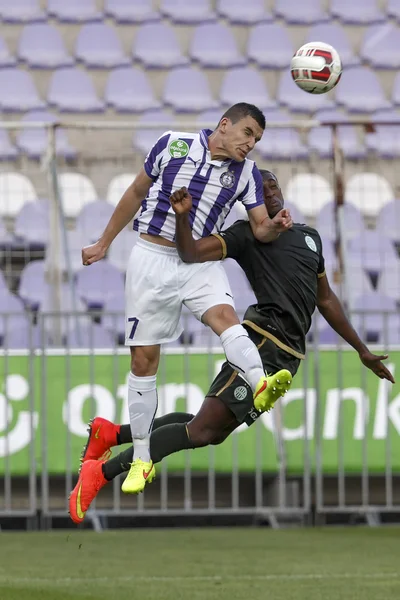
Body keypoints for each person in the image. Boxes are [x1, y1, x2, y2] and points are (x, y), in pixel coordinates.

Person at [69, 170, 394, 524]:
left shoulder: (308, 237)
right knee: (203, 430)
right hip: (260, 342)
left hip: (288, 355)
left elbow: (326, 299)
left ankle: (111, 433)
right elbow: (190, 253)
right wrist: (181, 218)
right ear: (250, 200)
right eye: (261, 188)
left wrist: (361, 350)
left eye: (274, 185)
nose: (269, 192)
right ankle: (100, 474)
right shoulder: (246, 235)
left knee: (209, 428)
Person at [81, 103, 292, 495]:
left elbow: (260, 228)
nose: (251, 144)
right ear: (224, 125)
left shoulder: (245, 173)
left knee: (225, 317)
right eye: (247, 133)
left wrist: (275, 226)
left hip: (197, 261)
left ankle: (261, 385)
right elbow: (135, 192)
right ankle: (142, 458)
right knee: (143, 360)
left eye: (257, 139)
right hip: (150, 258)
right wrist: (104, 242)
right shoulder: (172, 145)